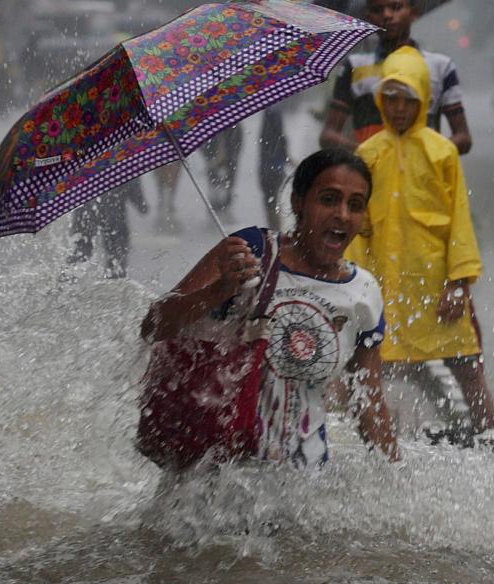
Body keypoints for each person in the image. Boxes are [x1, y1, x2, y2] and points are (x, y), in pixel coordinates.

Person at [140, 148, 399, 466]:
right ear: (297, 202)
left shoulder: (363, 292)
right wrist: (218, 290)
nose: (342, 215)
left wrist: (396, 477)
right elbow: (154, 325)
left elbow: (369, 401)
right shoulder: (251, 252)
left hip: (302, 486)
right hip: (210, 479)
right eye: (329, 199)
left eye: (355, 205)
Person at [347, 46, 494, 449]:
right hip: (384, 289)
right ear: (380, 99)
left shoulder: (442, 152)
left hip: (435, 290)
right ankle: (376, 447)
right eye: (391, 98)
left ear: (423, 100)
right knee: (370, 370)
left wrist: (458, 284)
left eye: (408, 99)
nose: (399, 109)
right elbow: (357, 230)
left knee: (467, 367)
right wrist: (352, 289)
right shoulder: (367, 154)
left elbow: (460, 224)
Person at [319, 0, 472, 155]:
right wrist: (367, 154)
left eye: (396, 7)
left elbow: (463, 138)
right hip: (369, 174)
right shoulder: (354, 66)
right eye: (378, 10)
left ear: (413, 13)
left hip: (423, 176)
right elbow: (329, 135)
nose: (387, 15)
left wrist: (427, 155)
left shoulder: (440, 66)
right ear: (368, 17)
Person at [70, 179, 149, 278]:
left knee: (80, 252)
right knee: (117, 256)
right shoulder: (124, 167)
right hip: (114, 217)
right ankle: (114, 284)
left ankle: (65, 284)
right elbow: (140, 202)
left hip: (85, 215)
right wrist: (142, 205)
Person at [258, 103, 290, 232]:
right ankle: (276, 233)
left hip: (270, 167)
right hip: (271, 166)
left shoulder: (272, 112)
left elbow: (279, 138)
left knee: (271, 203)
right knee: (272, 202)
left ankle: (276, 234)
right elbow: (280, 138)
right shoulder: (272, 111)